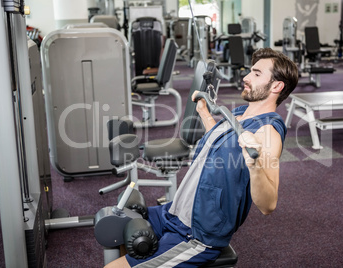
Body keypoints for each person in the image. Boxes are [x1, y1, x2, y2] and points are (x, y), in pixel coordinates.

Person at [105, 47, 299, 268]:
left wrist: (254, 165)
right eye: (250, 71)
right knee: (115, 224)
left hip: (196, 234)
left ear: (276, 85)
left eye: (256, 74)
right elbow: (220, 143)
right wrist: (205, 113)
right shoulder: (238, 114)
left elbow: (268, 204)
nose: (245, 77)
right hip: (174, 212)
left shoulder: (268, 131)